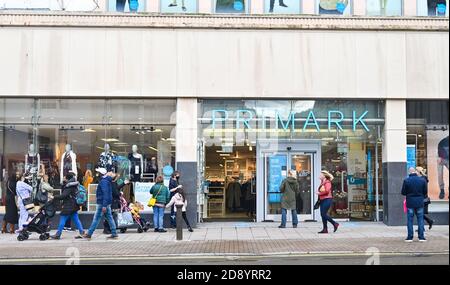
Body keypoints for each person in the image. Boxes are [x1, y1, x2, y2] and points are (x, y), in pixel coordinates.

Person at [83, 168, 118, 239]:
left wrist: (104, 205)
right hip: (105, 203)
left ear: (101, 174)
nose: (96, 174)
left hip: (102, 203)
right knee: (109, 218)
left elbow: (105, 193)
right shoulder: (106, 181)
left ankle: (89, 233)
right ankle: (114, 233)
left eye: (98, 173)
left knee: (96, 218)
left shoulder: (103, 182)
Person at [50, 172, 85, 239]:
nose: (63, 178)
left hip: (69, 205)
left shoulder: (69, 186)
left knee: (63, 218)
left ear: (67, 178)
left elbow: (63, 196)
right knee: (76, 219)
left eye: (64, 176)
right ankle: (82, 232)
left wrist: (54, 197)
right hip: (74, 205)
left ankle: (58, 234)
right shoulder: (74, 184)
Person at [401, 167, 428, 242]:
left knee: (410, 220)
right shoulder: (422, 180)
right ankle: (421, 237)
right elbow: (425, 192)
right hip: (419, 202)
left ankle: (410, 237)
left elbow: (403, 192)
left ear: (409, 172)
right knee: (420, 220)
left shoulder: (406, 180)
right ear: (415, 172)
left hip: (410, 203)